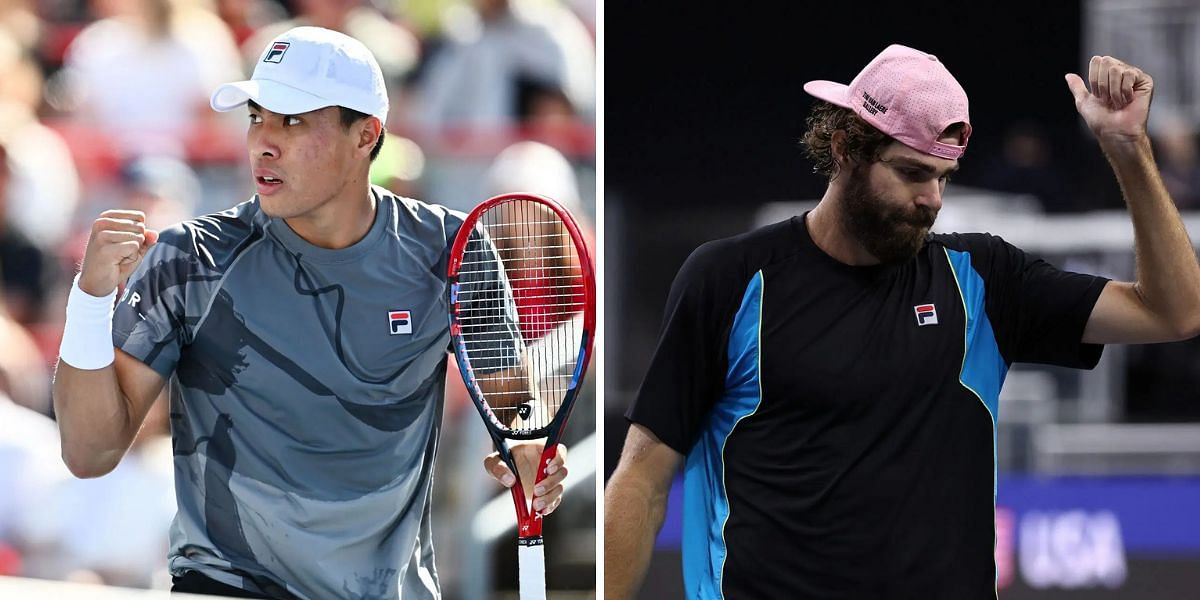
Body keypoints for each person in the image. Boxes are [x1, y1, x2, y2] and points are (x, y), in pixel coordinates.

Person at [604, 44, 1200, 599]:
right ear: (843, 148)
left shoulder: (983, 280)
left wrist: (1127, 147)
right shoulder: (728, 279)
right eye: (912, 173)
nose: (933, 199)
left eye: (942, 176)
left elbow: (1174, 312)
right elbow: (642, 479)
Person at [52, 26, 568, 599]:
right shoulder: (189, 258)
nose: (262, 143)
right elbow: (88, 452)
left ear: (365, 136)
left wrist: (527, 454)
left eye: (292, 120)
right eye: (256, 117)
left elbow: (514, 409)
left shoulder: (454, 252)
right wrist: (90, 302)